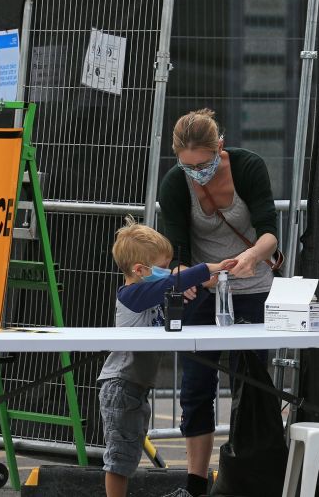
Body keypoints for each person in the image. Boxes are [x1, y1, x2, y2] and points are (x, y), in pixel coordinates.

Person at [158, 108, 280, 497]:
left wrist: (252, 257)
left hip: (252, 288)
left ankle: (248, 479)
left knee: (251, 384)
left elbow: (269, 232)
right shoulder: (174, 184)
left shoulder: (248, 166)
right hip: (205, 289)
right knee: (196, 385)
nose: (197, 172)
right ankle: (195, 483)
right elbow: (175, 252)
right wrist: (188, 277)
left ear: (220, 148)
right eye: (188, 165)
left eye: (203, 164)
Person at [97, 218, 236, 497]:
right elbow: (173, 282)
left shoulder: (148, 294)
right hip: (121, 384)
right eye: (161, 267)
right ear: (139, 270)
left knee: (128, 454)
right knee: (119, 458)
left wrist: (200, 285)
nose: (167, 272)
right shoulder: (131, 295)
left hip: (135, 386)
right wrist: (209, 268)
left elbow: (175, 297)